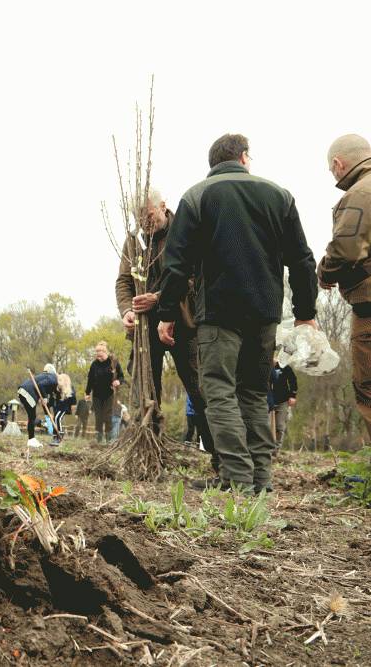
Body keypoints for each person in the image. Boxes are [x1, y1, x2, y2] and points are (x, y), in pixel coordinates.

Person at [157, 133, 318, 494]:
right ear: (244, 158)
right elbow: (302, 259)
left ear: (213, 163)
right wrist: (305, 311)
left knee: (219, 391)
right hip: (264, 312)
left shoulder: (197, 196)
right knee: (253, 392)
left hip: (218, 313)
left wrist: (167, 313)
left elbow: (176, 263)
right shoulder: (280, 195)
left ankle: (238, 478)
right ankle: (260, 477)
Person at [116, 188, 216, 468]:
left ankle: (220, 455)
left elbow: (193, 277)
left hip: (182, 324)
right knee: (144, 392)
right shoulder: (134, 242)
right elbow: (123, 281)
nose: (145, 222)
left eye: (149, 215)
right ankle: (150, 454)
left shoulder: (184, 231)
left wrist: (159, 299)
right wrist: (126, 310)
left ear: (162, 206)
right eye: (139, 217)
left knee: (198, 387)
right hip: (144, 330)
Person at [318, 134, 371, 440]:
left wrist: (325, 272)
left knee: (368, 386)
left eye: (331, 169)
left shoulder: (361, 193)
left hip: (368, 307)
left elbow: (346, 248)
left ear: (338, 164)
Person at [85, 341, 125, 443]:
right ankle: (98, 441)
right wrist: (87, 393)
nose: (98, 353)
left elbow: (121, 376)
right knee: (98, 418)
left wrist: (118, 381)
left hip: (110, 394)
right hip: (97, 395)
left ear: (105, 351)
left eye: (100, 351)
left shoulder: (113, 362)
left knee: (108, 417)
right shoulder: (94, 364)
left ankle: (108, 441)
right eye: (96, 351)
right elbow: (90, 380)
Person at [18, 365, 59, 449]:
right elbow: (41, 385)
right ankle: (31, 440)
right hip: (29, 392)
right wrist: (44, 397)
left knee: (32, 416)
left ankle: (31, 439)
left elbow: (43, 389)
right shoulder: (53, 377)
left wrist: (44, 399)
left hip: (22, 391)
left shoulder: (43, 377)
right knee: (32, 417)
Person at [267, 362, 297, 448]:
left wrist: (292, 396)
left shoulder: (285, 367)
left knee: (280, 426)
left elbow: (293, 380)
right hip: (267, 401)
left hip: (282, 401)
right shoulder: (265, 364)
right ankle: (268, 448)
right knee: (267, 426)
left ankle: (276, 449)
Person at [52, 373, 76, 445]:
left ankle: (60, 434)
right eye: (58, 380)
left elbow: (74, 401)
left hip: (64, 408)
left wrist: (73, 408)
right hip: (57, 408)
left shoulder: (70, 390)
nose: (58, 381)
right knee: (54, 420)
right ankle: (55, 436)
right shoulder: (58, 389)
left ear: (65, 381)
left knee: (57, 418)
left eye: (60, 380)